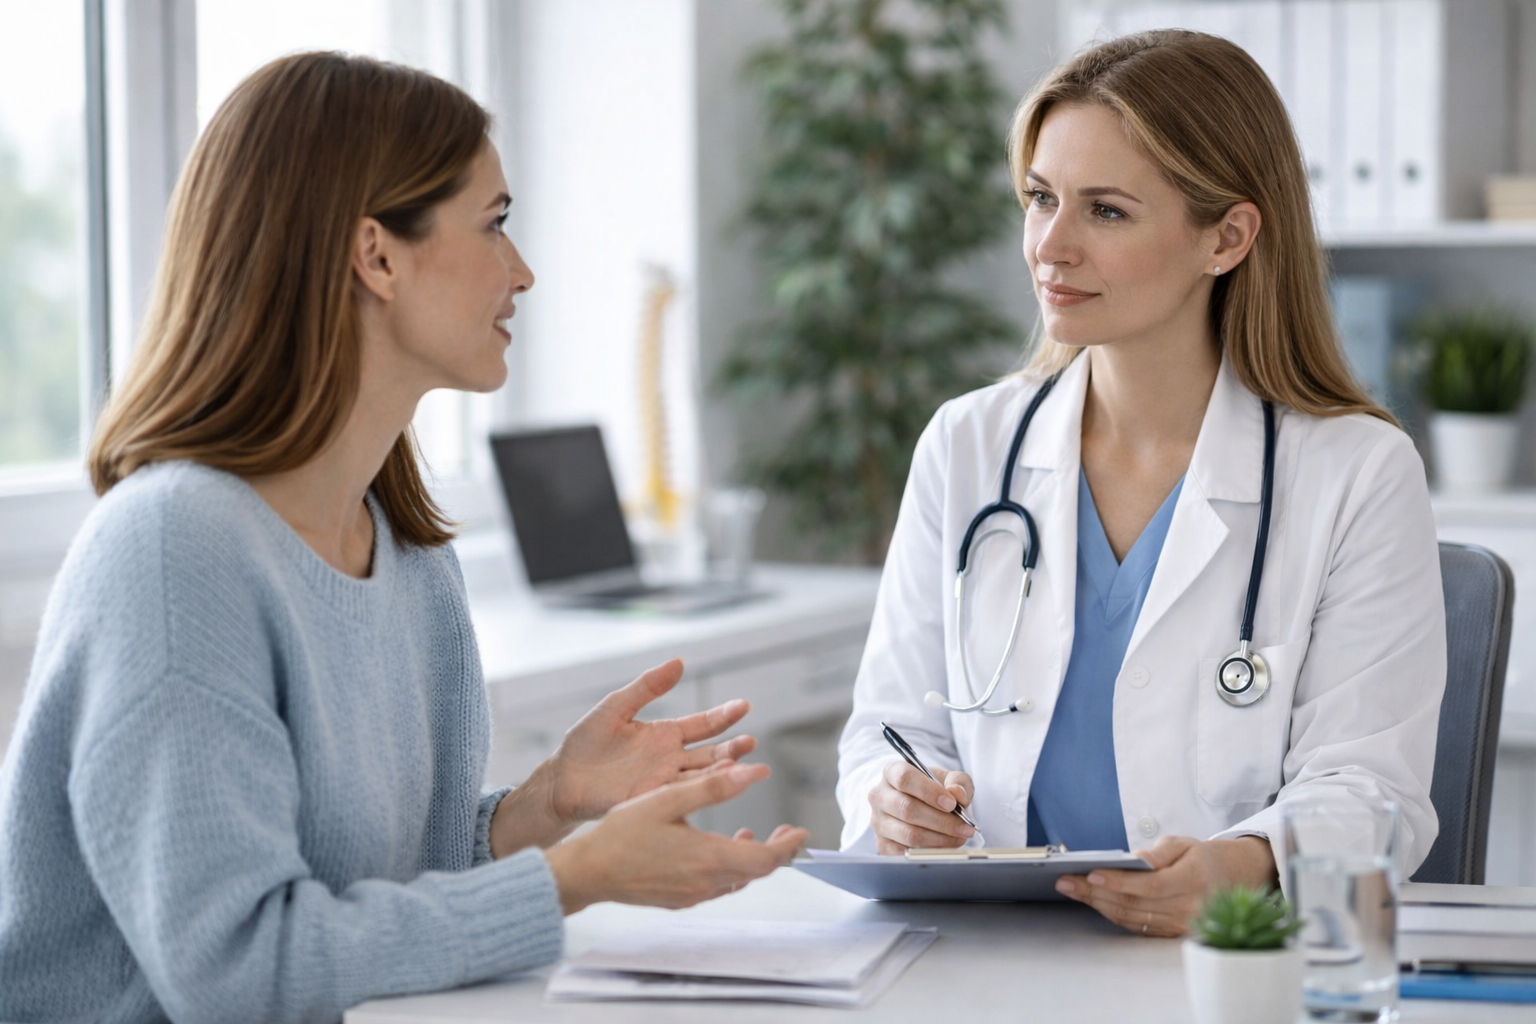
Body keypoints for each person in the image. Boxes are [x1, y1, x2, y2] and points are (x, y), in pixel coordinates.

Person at [0, 52, 807, 1023]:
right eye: (494, 222)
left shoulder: (409, 554)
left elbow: (382, 890)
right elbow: (236, 970)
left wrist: (550, 803)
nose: (523, 270)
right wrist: (573, 877)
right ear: (376, 256)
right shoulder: (174, 552)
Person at [836, 29, 1445, 937]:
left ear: (1227, 237)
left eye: (1106, 211)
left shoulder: (1355, 472)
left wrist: (1245, 864)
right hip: (990, 952)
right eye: (1041, 199)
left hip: (1226, 955)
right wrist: (894, 799)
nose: (1050, 246)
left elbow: (1371, 788)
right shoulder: (968, 445)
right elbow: (889, 731)